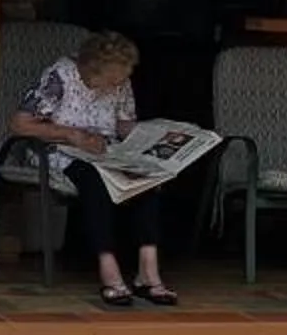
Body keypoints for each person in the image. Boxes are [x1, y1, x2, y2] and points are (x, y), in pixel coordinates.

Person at [12, 30, 177, 307]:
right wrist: (71, 135)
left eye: (122, 79)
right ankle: (109, 269)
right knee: (94, 180)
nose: (117, 86)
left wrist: (156, 134)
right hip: (60, 151)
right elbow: (20, 123)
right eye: (112, 81)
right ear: (92, 70)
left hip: (106, 151)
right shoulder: (62, 76)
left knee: (146, 180)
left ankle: (148, 273)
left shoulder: (121, 81)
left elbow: (123, 124)